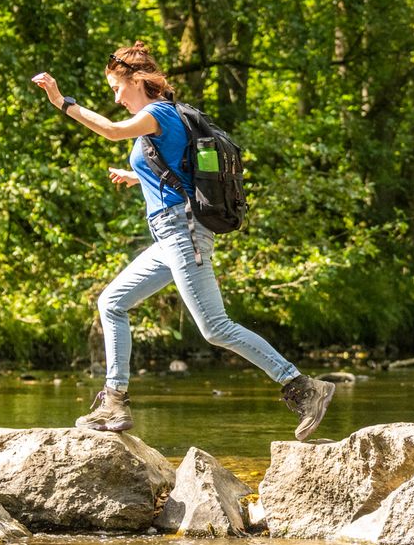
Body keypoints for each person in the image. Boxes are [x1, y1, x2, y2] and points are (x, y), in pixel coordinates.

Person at [31, 43, 335, 439]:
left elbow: (109, 131)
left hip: (183, 231)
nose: (115, 97)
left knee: (214, 327)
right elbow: (179, 173)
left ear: (136, 81)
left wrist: (62, 101)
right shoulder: (163, 117)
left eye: (115, 88)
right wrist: (136, 177)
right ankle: (114, 403)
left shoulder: (155, 113)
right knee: (112, 302)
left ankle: (303, 388)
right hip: (169, 233)